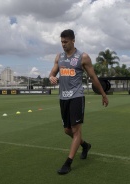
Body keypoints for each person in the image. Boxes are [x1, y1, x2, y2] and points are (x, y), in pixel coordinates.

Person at [49, 29, 109, 175]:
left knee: (76, 130)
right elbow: (52, 73)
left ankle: (68, 163)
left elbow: (94, 77)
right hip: (63, 97)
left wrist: (103, 94)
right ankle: (85, 145)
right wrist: (51, 77)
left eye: (65, 42)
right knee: (67, 130)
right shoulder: (59, 57)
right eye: (61, 42)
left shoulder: (83, 57)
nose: (63, 44)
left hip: (77, 96)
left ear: (73, 40)